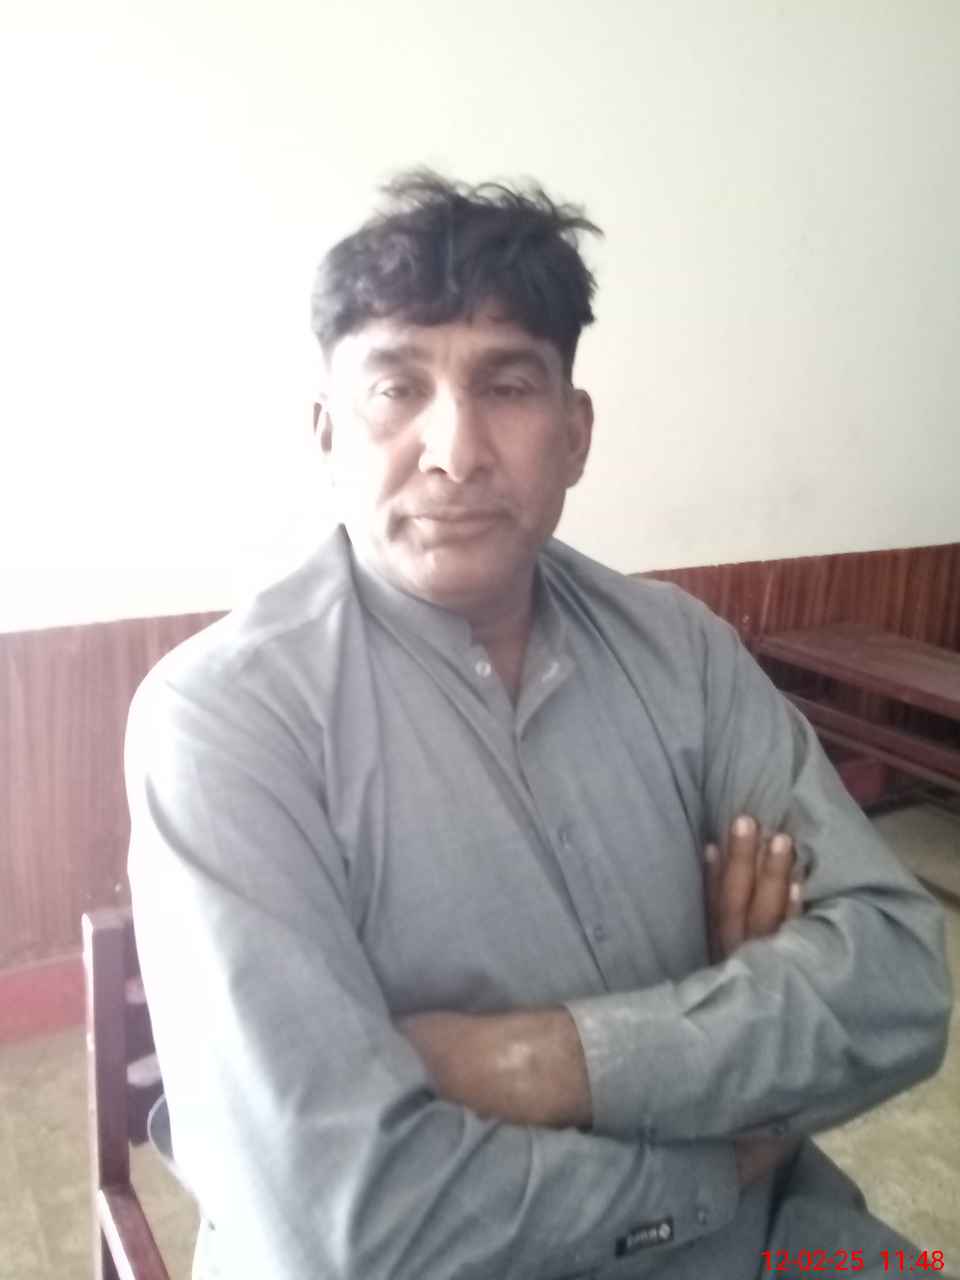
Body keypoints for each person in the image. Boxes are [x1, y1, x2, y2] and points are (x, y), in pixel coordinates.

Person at [126, 172, 951, 1280]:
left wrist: (543, 1060)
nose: (455, 450)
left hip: (776, 1242)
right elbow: (351, 1218)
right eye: (396, 388)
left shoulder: (683, 651)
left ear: (575, 433)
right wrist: (724, 1100)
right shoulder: (225, 721)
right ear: (326, 434)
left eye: (507, 385)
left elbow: (899, 980)